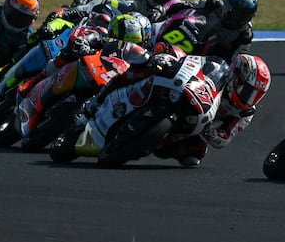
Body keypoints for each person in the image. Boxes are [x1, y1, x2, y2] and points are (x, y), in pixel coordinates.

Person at [80, 48, 270, 167]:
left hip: (196, 125)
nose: (249, 99)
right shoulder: (217, 68)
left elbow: (225, 139)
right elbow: (192, 61)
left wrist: (211, 131)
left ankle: (151, 143)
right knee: (147, 66)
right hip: (182, 93)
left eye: (255, 95)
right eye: (247, 91)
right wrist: (168, 61)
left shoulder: (245, 113)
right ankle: (101, 98)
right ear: (235, 76)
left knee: (195, 155)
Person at [157, 0, 258, 61]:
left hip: (207, 59)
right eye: (237, 14)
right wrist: (164, 12)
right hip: (190, 36)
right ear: (228, 8)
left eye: (243, 16)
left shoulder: (245, 35)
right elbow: (186, 5)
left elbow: (234, 60)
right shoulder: (215, 4)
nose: (238, 19)